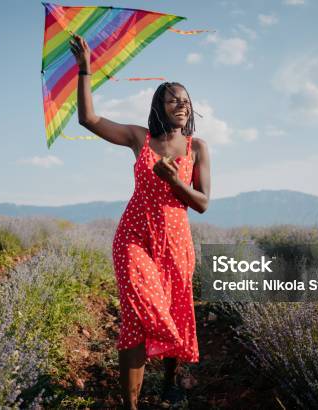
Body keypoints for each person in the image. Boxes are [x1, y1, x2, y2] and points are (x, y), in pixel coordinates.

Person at [69, 34, 211, 410]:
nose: (180, 104)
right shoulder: (140, 138)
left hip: (177, 242)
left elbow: (202, 204)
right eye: (172, 99)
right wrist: (85, 68)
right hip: (135, 237)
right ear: (159, 106)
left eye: (185, 100)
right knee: (136, 315)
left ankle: (168, 382)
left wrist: (174, 180)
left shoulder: (197, 148)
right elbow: (89, 119)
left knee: (175, 309)